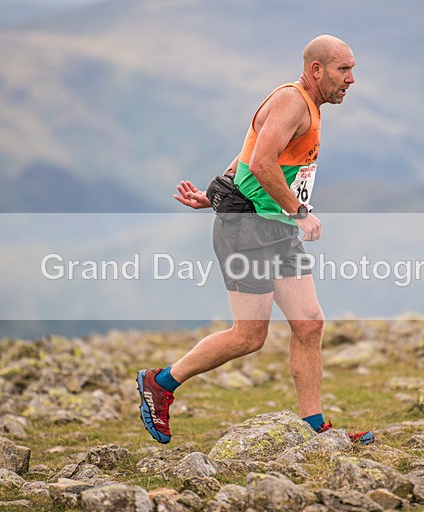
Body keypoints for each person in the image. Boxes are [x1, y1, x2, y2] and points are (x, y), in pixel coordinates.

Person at [137, 35, 373, 445]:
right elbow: (262, 163)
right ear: (316, 69)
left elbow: (252, 151)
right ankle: (161, 382)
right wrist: (299, 211)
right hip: (246, 227)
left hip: (275, 227)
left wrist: (214, 192)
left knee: (309, 324)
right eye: (344, 69)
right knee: (249, 336)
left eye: (351, 69)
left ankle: (314, 428)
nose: (351, 78)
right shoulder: (292, 101)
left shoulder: (309, 105)